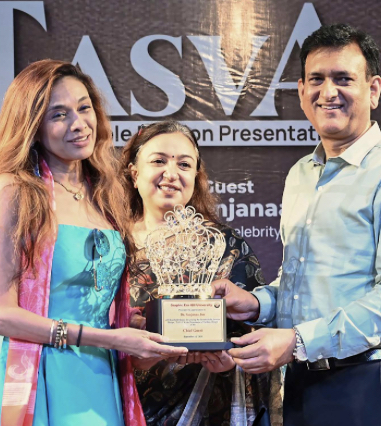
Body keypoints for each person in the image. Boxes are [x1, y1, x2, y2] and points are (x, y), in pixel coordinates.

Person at [213, 24, 381, 426]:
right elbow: (301, 285)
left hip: (365, 382)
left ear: (373, 89)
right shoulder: (301, 173)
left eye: (343, 79)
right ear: (301, 90)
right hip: (299, 380)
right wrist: (256, 304)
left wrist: (296, 341)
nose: (328, 92)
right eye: (317, 79)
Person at [0, 60, 186, 426]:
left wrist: (141, 331)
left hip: (97, 372)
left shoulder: (106, 194)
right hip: (32, 371)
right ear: (33, 126)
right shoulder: (13, 190)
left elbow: (102, 305)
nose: (79, 123)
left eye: (84, 108)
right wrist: (110, 339)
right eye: (59, 114)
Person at [119, 121, 281, 426]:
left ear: (196, 175)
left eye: (184, 164)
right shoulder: (110, 245)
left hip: (208, 410)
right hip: (122, 406)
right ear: (134, 172)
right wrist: (133, 355)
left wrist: (229, 361)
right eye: (158, 161)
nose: (171, 173)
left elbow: (258, 337)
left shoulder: (228, 247)